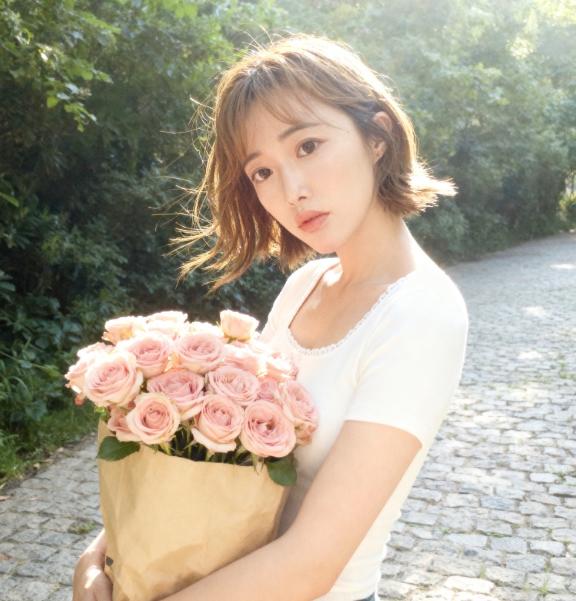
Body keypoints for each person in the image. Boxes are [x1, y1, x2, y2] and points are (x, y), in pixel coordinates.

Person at [73, 33, 469, 601]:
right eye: (262, 172)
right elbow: (228, 464)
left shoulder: (422, 315)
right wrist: (106, 549)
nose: (292, 191)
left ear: (377, 136)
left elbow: (311, 563)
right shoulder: (305, 285)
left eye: (307, 146)